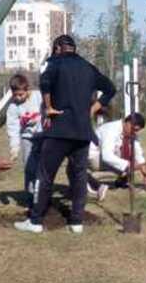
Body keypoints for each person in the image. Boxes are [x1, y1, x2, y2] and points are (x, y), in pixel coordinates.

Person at [14, 35, 116, 234]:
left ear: (58, 48)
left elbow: (45, 82)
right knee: (79, 177)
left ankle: (35, 221)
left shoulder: (55, 62)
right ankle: (76, 222)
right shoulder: (88, 67)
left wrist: (49, 107)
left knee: (45, 175)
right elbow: (110, 89)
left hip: (59, 129)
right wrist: (92, 110)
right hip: (82, 131)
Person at [87, 113, 146, 201]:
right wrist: (128, 165)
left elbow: (139, 156)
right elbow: (106, 156)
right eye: (135, 129)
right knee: (128, 164)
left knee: (131, 160)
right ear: (127, 123)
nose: (135, 133)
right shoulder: (111, 129)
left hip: (104, 158)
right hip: (92, 157)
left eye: (137, 131)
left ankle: (121, 180)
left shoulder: (131, 132)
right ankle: (96, 187)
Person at [5, 74, 43, 196]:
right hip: (27, 138)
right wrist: (14, 147)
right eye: (15, 95)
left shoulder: (38, 97)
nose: (18, 98)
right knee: (29, 166)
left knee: (43, 167)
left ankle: (42, 194)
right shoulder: (13, 107)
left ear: (28, 90)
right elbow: (13, 128)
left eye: (21, 94)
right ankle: (30, 195)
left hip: (43, 136)